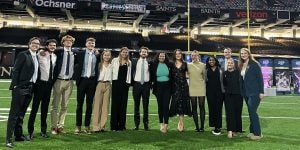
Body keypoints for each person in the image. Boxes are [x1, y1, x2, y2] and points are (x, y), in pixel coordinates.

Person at [6, 37, 40, 148]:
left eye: (37, 43)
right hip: (21, 87)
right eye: (33, 43)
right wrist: (15, 85)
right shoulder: (23, 54)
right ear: (29, 44)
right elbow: (16, 70)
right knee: (14, 114)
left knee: (21, 114)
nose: (35, 45)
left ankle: (18, 135)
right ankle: (8, 139)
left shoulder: (37, 56)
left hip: (31, 88)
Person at [27, 39, 57, 139]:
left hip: (49, 85)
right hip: (39, 84)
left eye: (54, 45)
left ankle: (43, 131)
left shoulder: (55, 56)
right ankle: (30, 132)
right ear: (47, 45)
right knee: (34, 109)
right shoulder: (41, 53)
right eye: (51, 45)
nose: (52, 47)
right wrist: (41, 50)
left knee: (45, 109)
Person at [73, 37, 99, 134]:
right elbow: (74, 64)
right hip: (82, 80)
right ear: (86, 44)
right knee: (79, 104)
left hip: (92, 81)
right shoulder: (80, 54)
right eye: (89, 43)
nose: (91, 44)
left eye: (92, 43)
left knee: (89, 105)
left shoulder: (97, 55)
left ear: (94, 45)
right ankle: (78, 126)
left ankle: (87, 126)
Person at [51, 35, 75, 134]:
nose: (68, 42)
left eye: (70, 41)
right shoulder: (58, 52)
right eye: (66, 40)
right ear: (63, 42)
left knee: (65, 106)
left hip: (69, 81)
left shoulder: (75, 53)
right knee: (55, 105)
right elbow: (48, 51)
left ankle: (61, 126)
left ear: (72, 43)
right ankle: (53, 127)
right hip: (59, 80)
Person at [239, 48, 264, 140]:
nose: (243, 55)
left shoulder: (254, 64)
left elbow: (260, 79)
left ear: (248, 54)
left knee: (253, 112)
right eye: (242, 54)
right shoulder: (241, 64)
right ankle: (252, 131)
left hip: (255, 92)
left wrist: (261, 92)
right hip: (246, 93)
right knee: (250, 112)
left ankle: (258, 133)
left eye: (245, 53)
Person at [169, 49, 192, 132]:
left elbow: (189, 74)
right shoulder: (171, 64)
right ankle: (180, 122)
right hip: (175, 87)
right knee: (176, 103)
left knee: (182, 104)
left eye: (179, 54)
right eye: (176, 54)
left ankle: (181, 123)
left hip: (184, 87)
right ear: (174, 55)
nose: (178, 55)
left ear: (181, 55)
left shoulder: (185, 64)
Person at [110, 47, 132, 131]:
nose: (125, 54)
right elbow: (111, 71)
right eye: (123, 52)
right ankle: (114, 126)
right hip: (115, 84)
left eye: (126, 52)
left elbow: (129, 74)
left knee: (123, 105)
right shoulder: (114, 60)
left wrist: (128, 83)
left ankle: (122, 126)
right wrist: (111, 82)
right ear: (120, 52)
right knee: (115, 105)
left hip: (125, 85)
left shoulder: (129, 62)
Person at [150, 52, 172, 133]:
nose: (162, 57)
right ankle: (161, 124)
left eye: (163, 56)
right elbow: (151, 76)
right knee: (160, 106)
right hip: (158, 87)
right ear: (158, 57)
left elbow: (172, 76)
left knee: (166, 106)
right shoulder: (154, 64)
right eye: (160, 56)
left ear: (165, 57)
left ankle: (166, 124)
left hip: (167, 87)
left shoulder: (169, 64)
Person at [92, 50, 112, 132]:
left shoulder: (112, 65)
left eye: (108, 55)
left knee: (105, 106)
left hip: (108, 85)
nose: (107, 57)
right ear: (102, 56)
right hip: (99, 84)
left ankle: (102, 126)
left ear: (110, 56)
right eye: (105, 55)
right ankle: (96, 126)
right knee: (97, 106)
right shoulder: (99, 65)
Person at [132, 47, 151, 131]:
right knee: (136, 105)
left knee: (145, 106)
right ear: (139, 53)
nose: (144, 53)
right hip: (137, 85)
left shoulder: (150, 62)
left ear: (147, 54)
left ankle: (146, 124)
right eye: (142, 52)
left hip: (146, 85)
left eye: (145, 52)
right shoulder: (134, 61)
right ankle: (136, 124)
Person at [223, 58, 243, 138]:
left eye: (231, 63)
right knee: (229, 113)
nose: (230, 64)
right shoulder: (224, 73)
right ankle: (230, 130)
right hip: (228, 96)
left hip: (238, 95)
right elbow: (224, 84)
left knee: (237, 113)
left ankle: (236, 130)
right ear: (227, 64)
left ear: (234, 64)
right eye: (228, 63)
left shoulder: (238, 73)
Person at [187, 50, 206, 132]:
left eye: (196, 55)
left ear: (199, 56)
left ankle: (202, 127)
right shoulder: (188, 65)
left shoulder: (203, 65)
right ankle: (197, 127)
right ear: (191, 56)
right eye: (193, 55)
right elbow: (186, 75)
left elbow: (205, 78)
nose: (194, 57)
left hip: (201, 88)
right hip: (192, 88)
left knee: (202, 107)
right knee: (194, 107)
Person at [206, 55, 224, 135]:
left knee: (218, 109)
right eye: (209, 60)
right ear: (208, 62)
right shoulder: (206, 70)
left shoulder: (220, 69)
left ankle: (218, 127)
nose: (211, 61)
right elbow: (205, 80)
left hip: (219, 92)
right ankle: (213, 125)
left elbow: (223, 81)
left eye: (212, 60)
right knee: (211, 109)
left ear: (215, 61)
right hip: (210, 93)